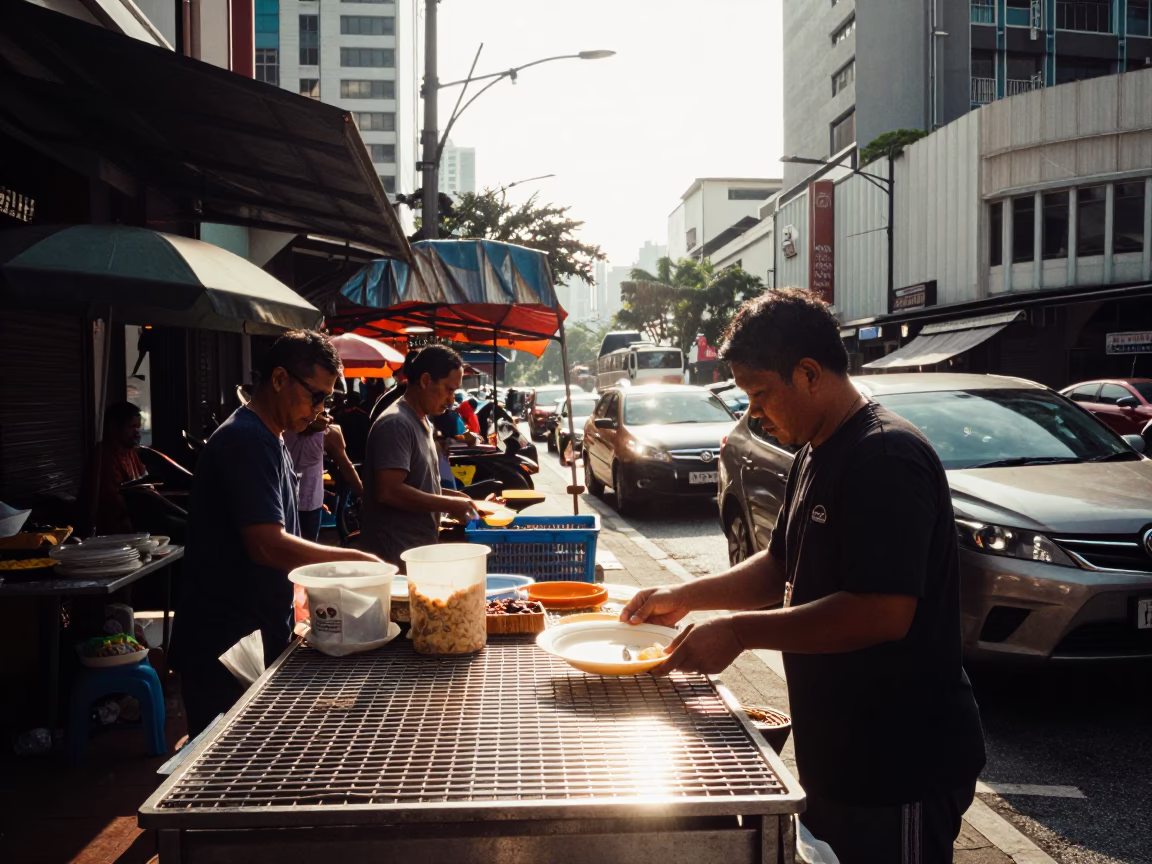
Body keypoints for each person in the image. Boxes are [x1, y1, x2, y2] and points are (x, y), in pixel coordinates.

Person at [621, 289, 985, 864]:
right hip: (839, 756)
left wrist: (739, 633)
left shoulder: (885, 457)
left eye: (760, 394)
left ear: (809, 373)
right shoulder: (818, 447)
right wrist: (682, 596)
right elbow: (780, 565)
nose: (752, 414)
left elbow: (882, 612)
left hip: (899, 765)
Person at [169, 330, 382, 739]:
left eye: (327, 400)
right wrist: (354, 561)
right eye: (315, 396)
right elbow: (266, 544)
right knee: (221, 775)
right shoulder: (246, 440)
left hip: (250, 634)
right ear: (280, 379)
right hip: (224, 643)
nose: (320, 410)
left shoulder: (274, 437)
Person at [360, 345, 480, 567]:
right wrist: (449, 504)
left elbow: (419, 484)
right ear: (426, 381)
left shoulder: (422, 420)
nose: (452, 400)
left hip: (417, 549)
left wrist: (455, 498)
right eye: (449, 389)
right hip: (394, 554)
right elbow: (388, 491)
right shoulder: (396, 423)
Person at [95, 401, 187, 540]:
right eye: (132, 427)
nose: (137, 432)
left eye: (138, 427)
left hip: (139, 520)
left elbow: (146, 485)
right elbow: (114, 501)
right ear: (113, 427)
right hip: (120, 528)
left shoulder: (131, 453)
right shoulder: (104, 457)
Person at [284, 413, 365, 542]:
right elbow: (346, 467)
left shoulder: (327, 433)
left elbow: (346, 467)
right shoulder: (328, 433)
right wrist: (363, 495)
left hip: (301, 503)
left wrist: (362, 495)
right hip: (296, 503)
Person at [334, 391, 371, 464]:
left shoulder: (362, 417)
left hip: (357, 450)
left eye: (350, 407)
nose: (347, 410)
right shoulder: (339, 414)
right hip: (346, 449)